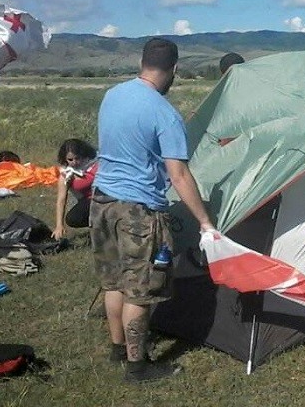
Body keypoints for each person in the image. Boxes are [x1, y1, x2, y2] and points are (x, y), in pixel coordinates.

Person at [91, 38, 215, 383]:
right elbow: (178, 174)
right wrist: (205, 222)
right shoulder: (164, 113)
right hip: (138, 211)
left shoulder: (113, 94)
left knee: (114, 281)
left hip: (102, 203)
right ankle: (138, 366)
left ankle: (118, 349)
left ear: (141, 63)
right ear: (174, 69)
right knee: (140, 291)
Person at [52, 139, 98, 240]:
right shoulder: (67, 174)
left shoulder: (95, 164)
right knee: (72, 219)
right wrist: (59, 225)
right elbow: (61, 200)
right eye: (70, 160)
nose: (74, 162)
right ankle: (100, 226)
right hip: (88, 201)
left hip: (106, 196)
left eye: (77, 158)